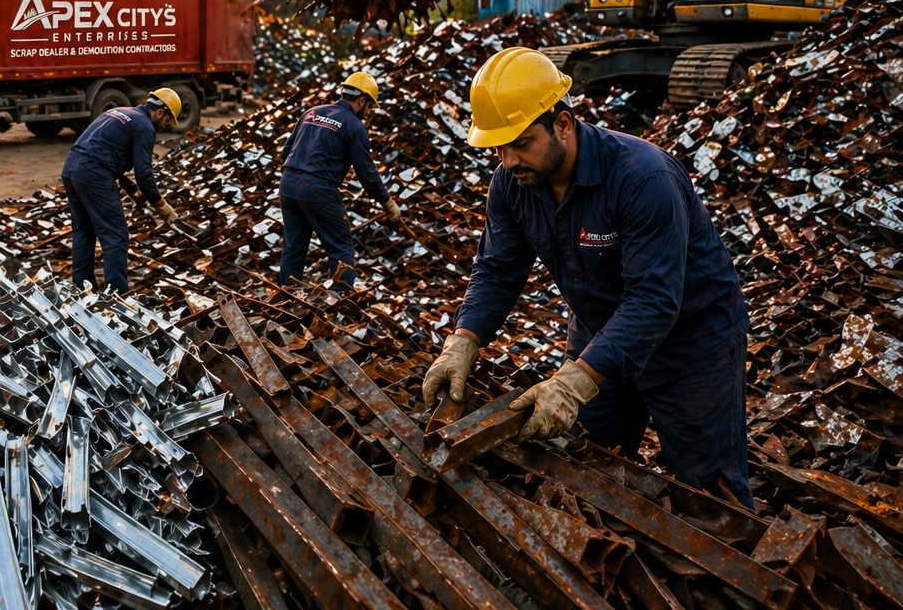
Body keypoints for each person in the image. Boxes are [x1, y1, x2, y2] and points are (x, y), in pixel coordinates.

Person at [423, 48, 751, 507]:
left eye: (520, 142)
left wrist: (575, 382)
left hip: (691, 344)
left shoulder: (641, 179)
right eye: (498, 147)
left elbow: (653, 300)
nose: (509, 159)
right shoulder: (513, 183)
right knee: (586, 466)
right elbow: (497, 269)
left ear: (562, 123)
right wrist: (463, 341)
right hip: (601, 334)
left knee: (708, 495)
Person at [277, 72, 400, 291]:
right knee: (341, 249)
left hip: (288, 185)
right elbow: (366, 172)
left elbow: (286, 151)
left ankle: (286, 298)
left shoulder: (312, 112)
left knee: (293, 246)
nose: (368, 111)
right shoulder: (354, 126)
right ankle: (338, 304)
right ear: (362, 100)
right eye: (369, 106)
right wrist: (387, 203)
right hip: (317, 190)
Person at [61, 89, 180, 294]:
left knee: (84, 231)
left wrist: (132, 190)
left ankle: (82, 289)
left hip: (72, 169)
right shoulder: (144, 126)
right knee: (116, 235)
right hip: (94, 174)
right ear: (161, 112)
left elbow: (106, 148)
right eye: (167, 120)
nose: (164, 126)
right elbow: (144, 173)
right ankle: (117, 295)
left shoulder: (119, 111)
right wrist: (161, 206)